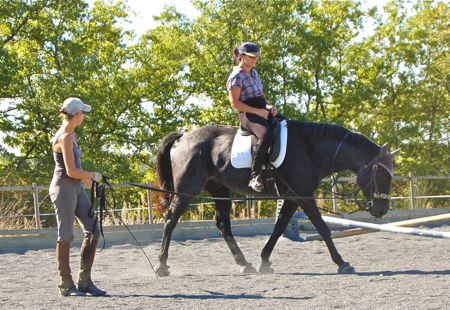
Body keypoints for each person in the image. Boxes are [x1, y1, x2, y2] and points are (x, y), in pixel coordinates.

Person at [48, 97, 106, 297]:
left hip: (76, 188)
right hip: (63, 189)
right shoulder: (63, 137)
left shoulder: (72, 136)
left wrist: (90, 183)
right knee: (66, 235)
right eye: (84, 113)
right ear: (78, 114)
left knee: (93, 230)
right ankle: (66, 284)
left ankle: (85, 281)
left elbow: (76, 171)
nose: (84, 117)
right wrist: (92, 175)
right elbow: (71, 171)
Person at [227, 42, 278, 192]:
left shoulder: (254, 73)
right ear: (242, 57)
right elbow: (235, 103)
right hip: (247, 114)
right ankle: (254, 176)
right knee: (266, 135)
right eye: (252, 56)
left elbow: (259, 97)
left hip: (260, 109)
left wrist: (268, 107)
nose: (255, 59)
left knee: (286, 126)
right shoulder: (236, 76)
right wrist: (257, 112)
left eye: (257, 57)